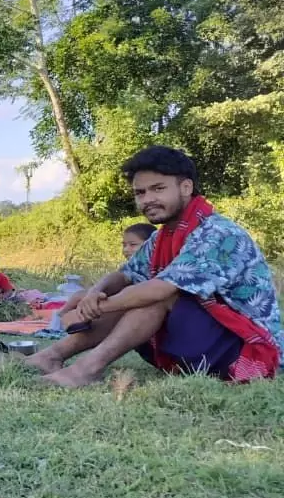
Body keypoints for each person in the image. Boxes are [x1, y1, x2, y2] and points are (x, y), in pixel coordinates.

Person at [26, 146, 283, 387]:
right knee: (130, 292)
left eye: (158, 188)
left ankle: (86, 370)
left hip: (247, 346)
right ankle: (51, 356)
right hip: (204, 341)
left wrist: (93, 307)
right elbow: (125, 275)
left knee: (154, 296)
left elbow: (160, 291)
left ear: (185, 187)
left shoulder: (218, 232)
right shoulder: (162, 237)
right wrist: (94, 293)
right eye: (140, 192)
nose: (148, 199)